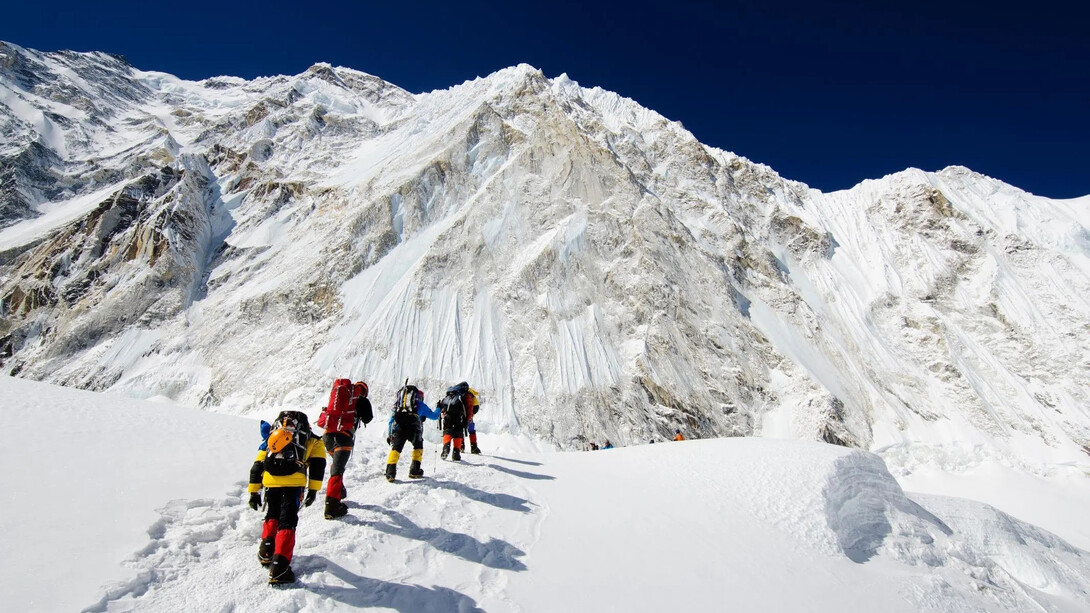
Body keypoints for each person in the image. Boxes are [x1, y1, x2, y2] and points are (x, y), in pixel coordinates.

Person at [247, 410, 326, 584]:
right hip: (294, 483)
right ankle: (280, 567)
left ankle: (266, 551)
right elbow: (318, 466)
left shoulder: (272, 437)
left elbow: (257, 465)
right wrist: (313, 490)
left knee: (272, 513)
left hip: (270, 481)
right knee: (287, 521)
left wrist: (254, 491)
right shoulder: (313, 440)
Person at [319, 380, 373, 519]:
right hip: (344, 437)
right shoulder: (361, 400)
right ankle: (332, 505)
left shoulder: (341, 396)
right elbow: (368, 418)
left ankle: (340, 490)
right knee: (338, 469)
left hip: (327, 436)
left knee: (336, 464)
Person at [385, 383, 439, 481]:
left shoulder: (398, 406)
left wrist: (389, 435)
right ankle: (414, 470)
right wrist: (439, 407)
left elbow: (391, 421)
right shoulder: (420, 405)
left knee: (396, 449)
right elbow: (434, 416)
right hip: (413, 430)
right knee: (418, 447)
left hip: (399, 428)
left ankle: (390, 473)